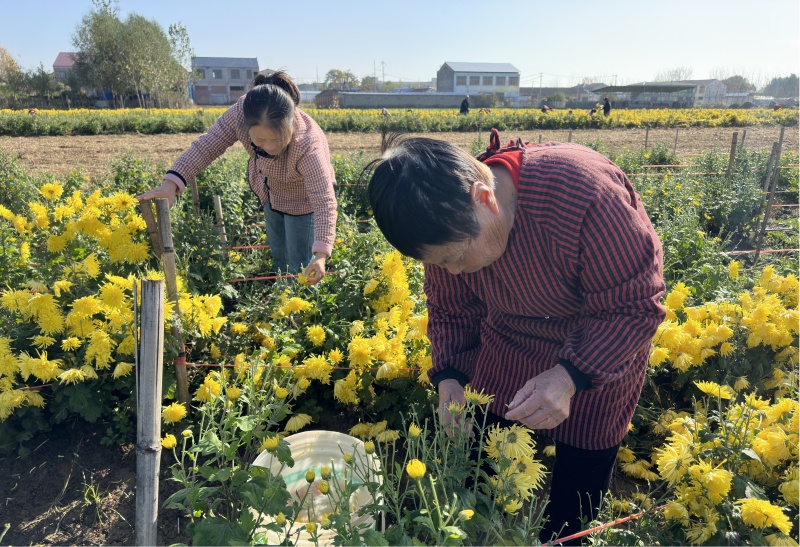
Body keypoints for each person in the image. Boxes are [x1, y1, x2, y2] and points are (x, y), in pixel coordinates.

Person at [366, 129, 666, 544]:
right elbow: (453, 309)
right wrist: (450, 380)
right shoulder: (442, 221)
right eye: (439, 262)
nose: (452, 271)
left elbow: (635, 305)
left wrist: (569, 377)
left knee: (573, 502)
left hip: (598, 345)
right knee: (478, 470)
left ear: (484, 199)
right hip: (508, 343)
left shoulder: (584, 193)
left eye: (455, 258)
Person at [136, 71, 337, 284]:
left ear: (291, 125)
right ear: (246, 126)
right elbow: (207, 145)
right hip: (270, 193)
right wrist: (171, 183)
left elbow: (324, 200)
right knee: (279, 253)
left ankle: (302, 310)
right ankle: (283, 298)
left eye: (277, 140)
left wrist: (321, 255)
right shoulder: (241, 113)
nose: (269, 148)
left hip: (304, 200)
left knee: (300, 262)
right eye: (260, 140)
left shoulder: (308, 144)